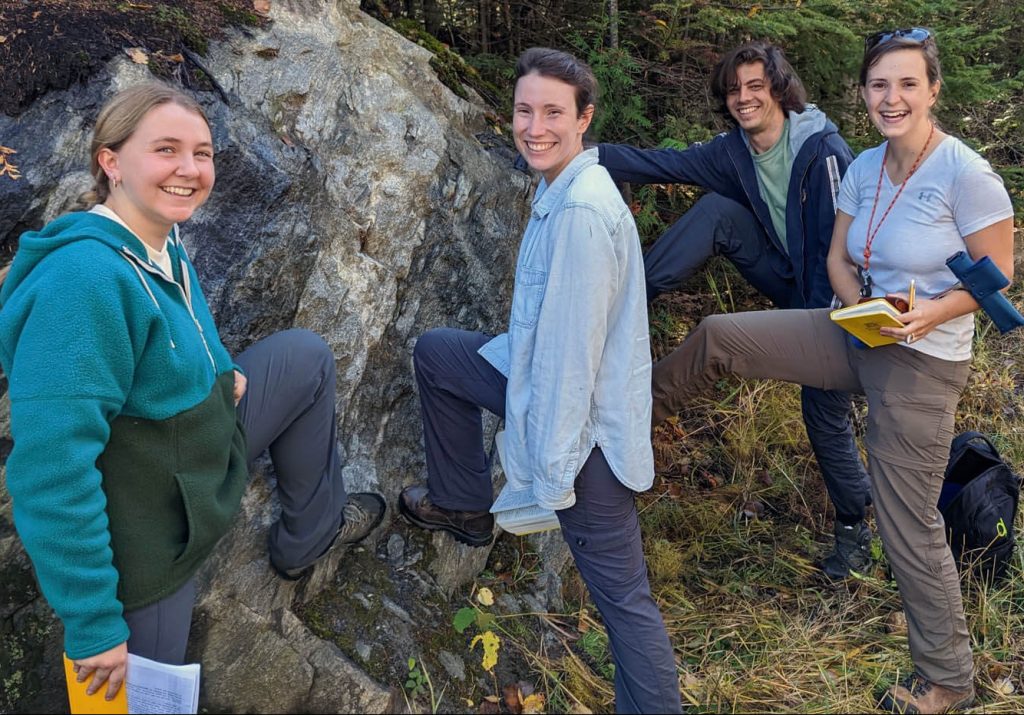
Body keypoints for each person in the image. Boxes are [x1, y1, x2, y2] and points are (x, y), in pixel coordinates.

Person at [648, 28, 1014, 714]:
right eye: (880, 85)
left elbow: (998, 278)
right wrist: (857, 303)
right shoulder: (866, 165)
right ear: (865, 93)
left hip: (922, 364)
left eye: (907, 83)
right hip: (859, 332)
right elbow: (840, 259)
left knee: (908, 527)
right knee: (720, 335)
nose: (892, 97)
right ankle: (625, 412)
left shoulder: (966, 175)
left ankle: (950, 681)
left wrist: (930, 313)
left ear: (933, 90)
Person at [0, 82, 386, 700]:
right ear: (111, 161)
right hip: (154, 532)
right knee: (143, 698)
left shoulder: (157, 236)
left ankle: (307, 538)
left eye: (202, 153)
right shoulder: (85, 281)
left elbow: (184, 334)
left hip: (203, 441)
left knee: (306, 356)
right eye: (167, 150)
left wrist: (219, 370)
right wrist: (95, 624)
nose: (190, 170)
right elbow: (50, 468)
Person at [398, 48, 682, 713]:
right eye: (525, 110)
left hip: (586, 440)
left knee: (623, 601)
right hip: (541, 382)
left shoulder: (582, 211)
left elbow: (568, 363)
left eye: (553, 112)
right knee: (440, 354)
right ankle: (464, 503)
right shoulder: (560, 187)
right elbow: (541, 345)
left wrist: (552, 480)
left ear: (585, 118)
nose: (535, 126)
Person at [598, 42, 874, 580]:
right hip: (789, 281)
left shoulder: (823, 151)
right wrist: (571, 152)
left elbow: (842, 253)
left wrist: (818, 337)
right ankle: (627, 299)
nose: (743, 98)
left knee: (823, 415)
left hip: (837, 302)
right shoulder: (733, 152)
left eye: (754, 86)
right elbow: (661, 163)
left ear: (778, 89)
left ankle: (855, 527)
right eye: (734, 89)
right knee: (718, 212)